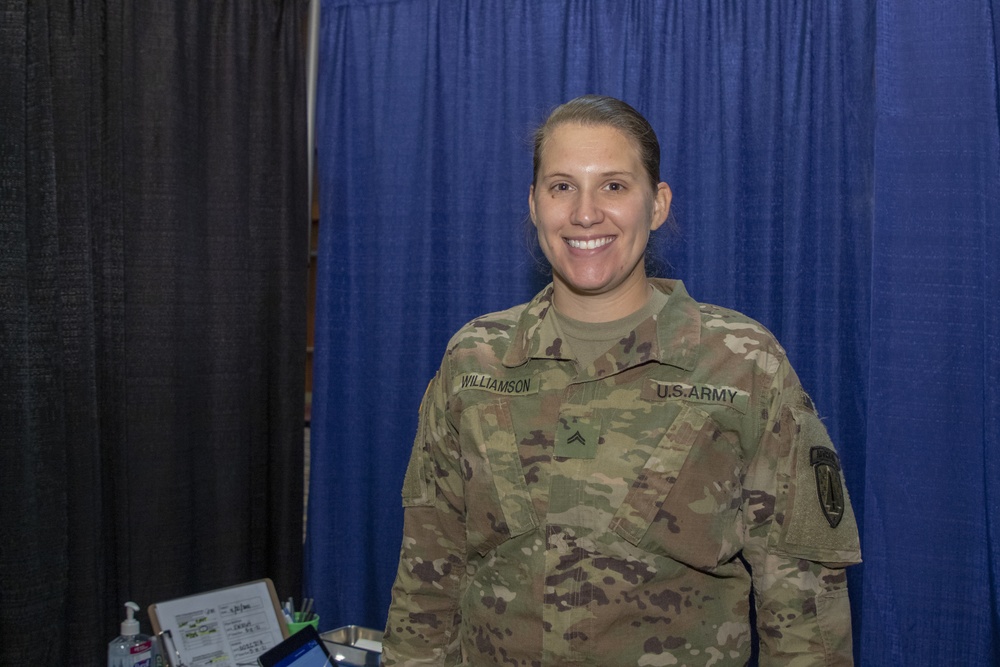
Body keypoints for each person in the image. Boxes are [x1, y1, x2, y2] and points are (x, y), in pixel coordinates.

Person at [381, 95, 861, 666]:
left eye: (613, 186)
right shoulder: (475, 361)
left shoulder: (743, 363)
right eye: (561, 186)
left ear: (657, 204)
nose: (586, 213)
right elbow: (427, 581)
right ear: (534, 204)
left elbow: (804, 607)